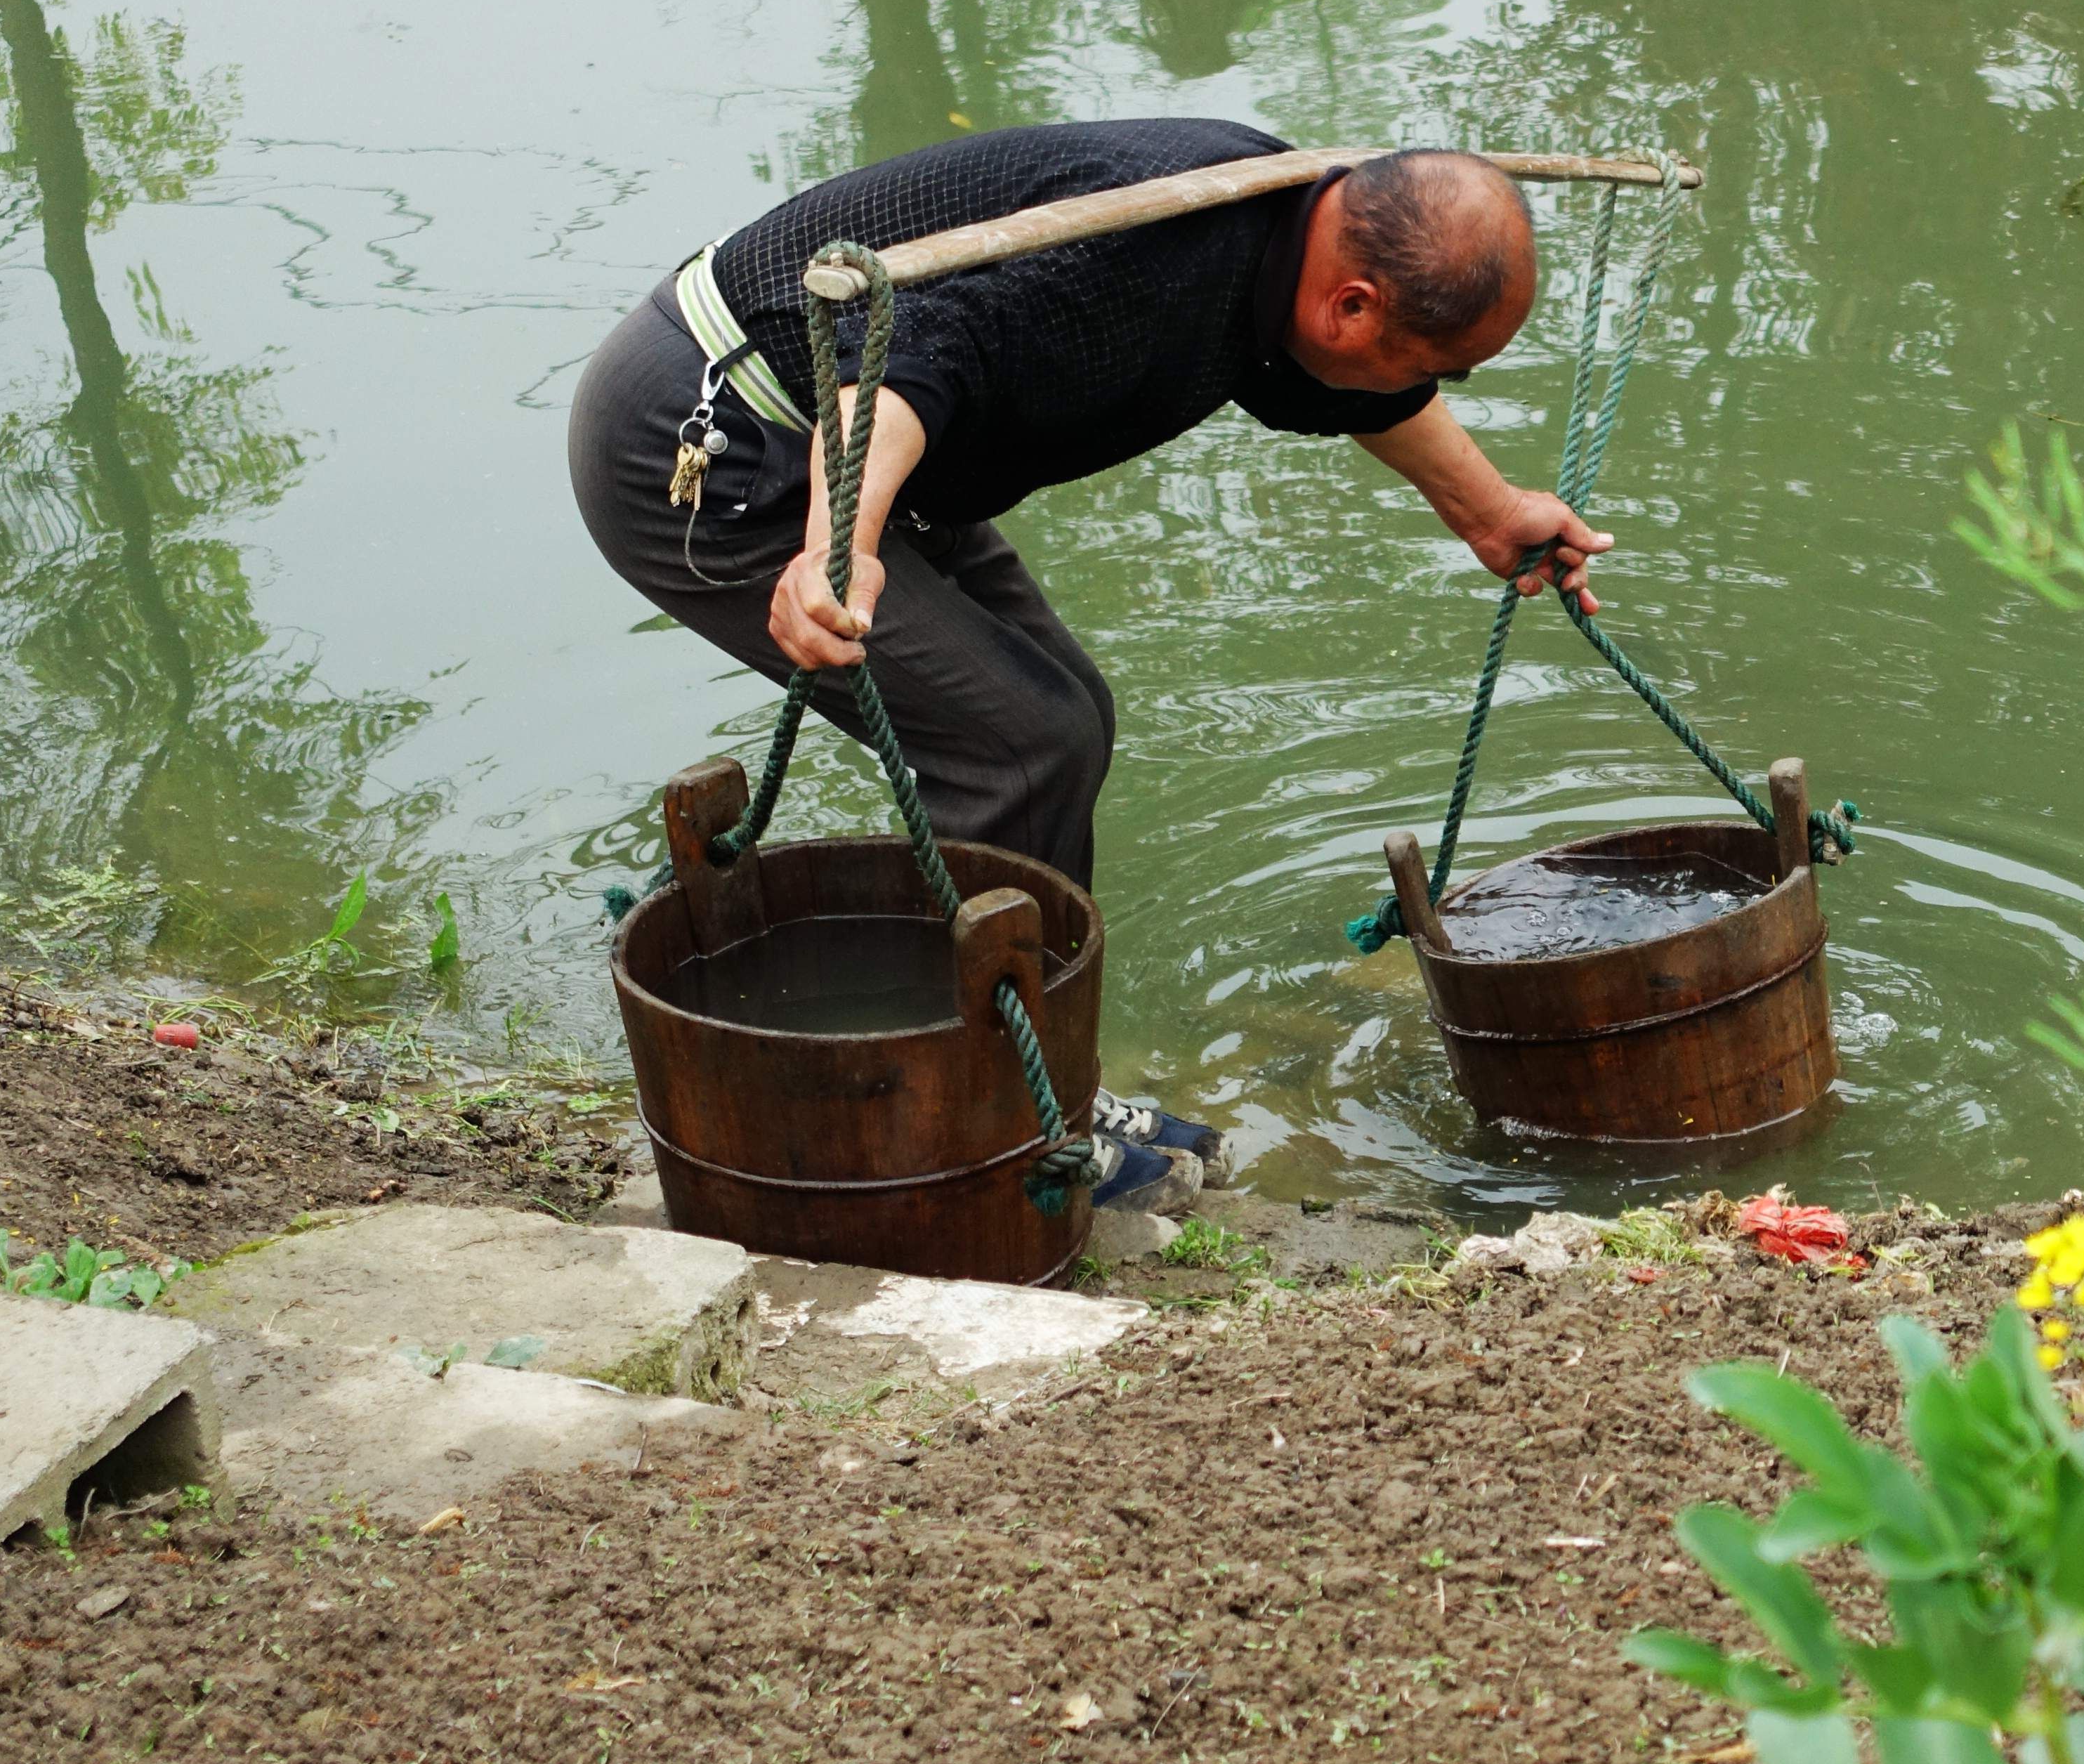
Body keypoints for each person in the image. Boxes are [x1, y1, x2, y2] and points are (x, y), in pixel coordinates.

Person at [568, 122, 1608, 1210]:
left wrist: (1491, 514)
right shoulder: (1134, 266)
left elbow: (1353, 385)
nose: (1434, 385)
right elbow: (906, 359)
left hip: (889, 455)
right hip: (720, 442)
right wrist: (843, 554)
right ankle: (1002, 1118)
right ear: (1351, 304)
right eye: (1440, 363)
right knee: (1019, 742)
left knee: (1069, 722)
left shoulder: (1289, 235)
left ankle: (1039, 1077)